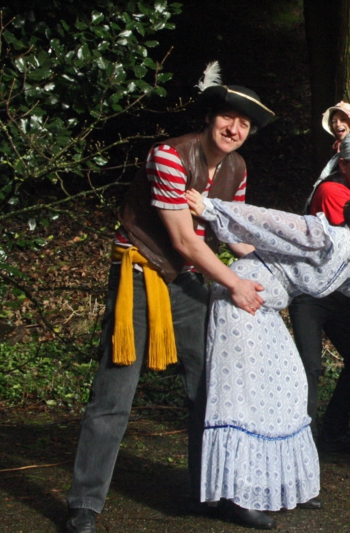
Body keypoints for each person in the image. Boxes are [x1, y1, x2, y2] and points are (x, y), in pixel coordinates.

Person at [64, 63, 274, 533]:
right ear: (210, 117)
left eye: (244, 123)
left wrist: (278, 262)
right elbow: (184, 240)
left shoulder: (237, 168)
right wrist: (235, 284)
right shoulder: (169, 156)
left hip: (185, 281)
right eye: (228, 117)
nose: (235, 128)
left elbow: (232, 233)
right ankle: (84, 504)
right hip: (139, 273)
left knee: (213, 388)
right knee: (114, 392)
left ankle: (217, 492)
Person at [188, 188, 350, 530]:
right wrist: (211, 209)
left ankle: (282, 483)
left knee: (291, 385)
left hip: (266, 309)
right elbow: (267, 222)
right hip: (239, 301)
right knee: (244, 396)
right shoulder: (322, 237)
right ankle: (234, 498)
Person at [288, 131, 350, 451]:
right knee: (310, 365)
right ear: (343, 165)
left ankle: (334, 428)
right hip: (309, 292)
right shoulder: (331, 190)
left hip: (338, 290)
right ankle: (301, 436)